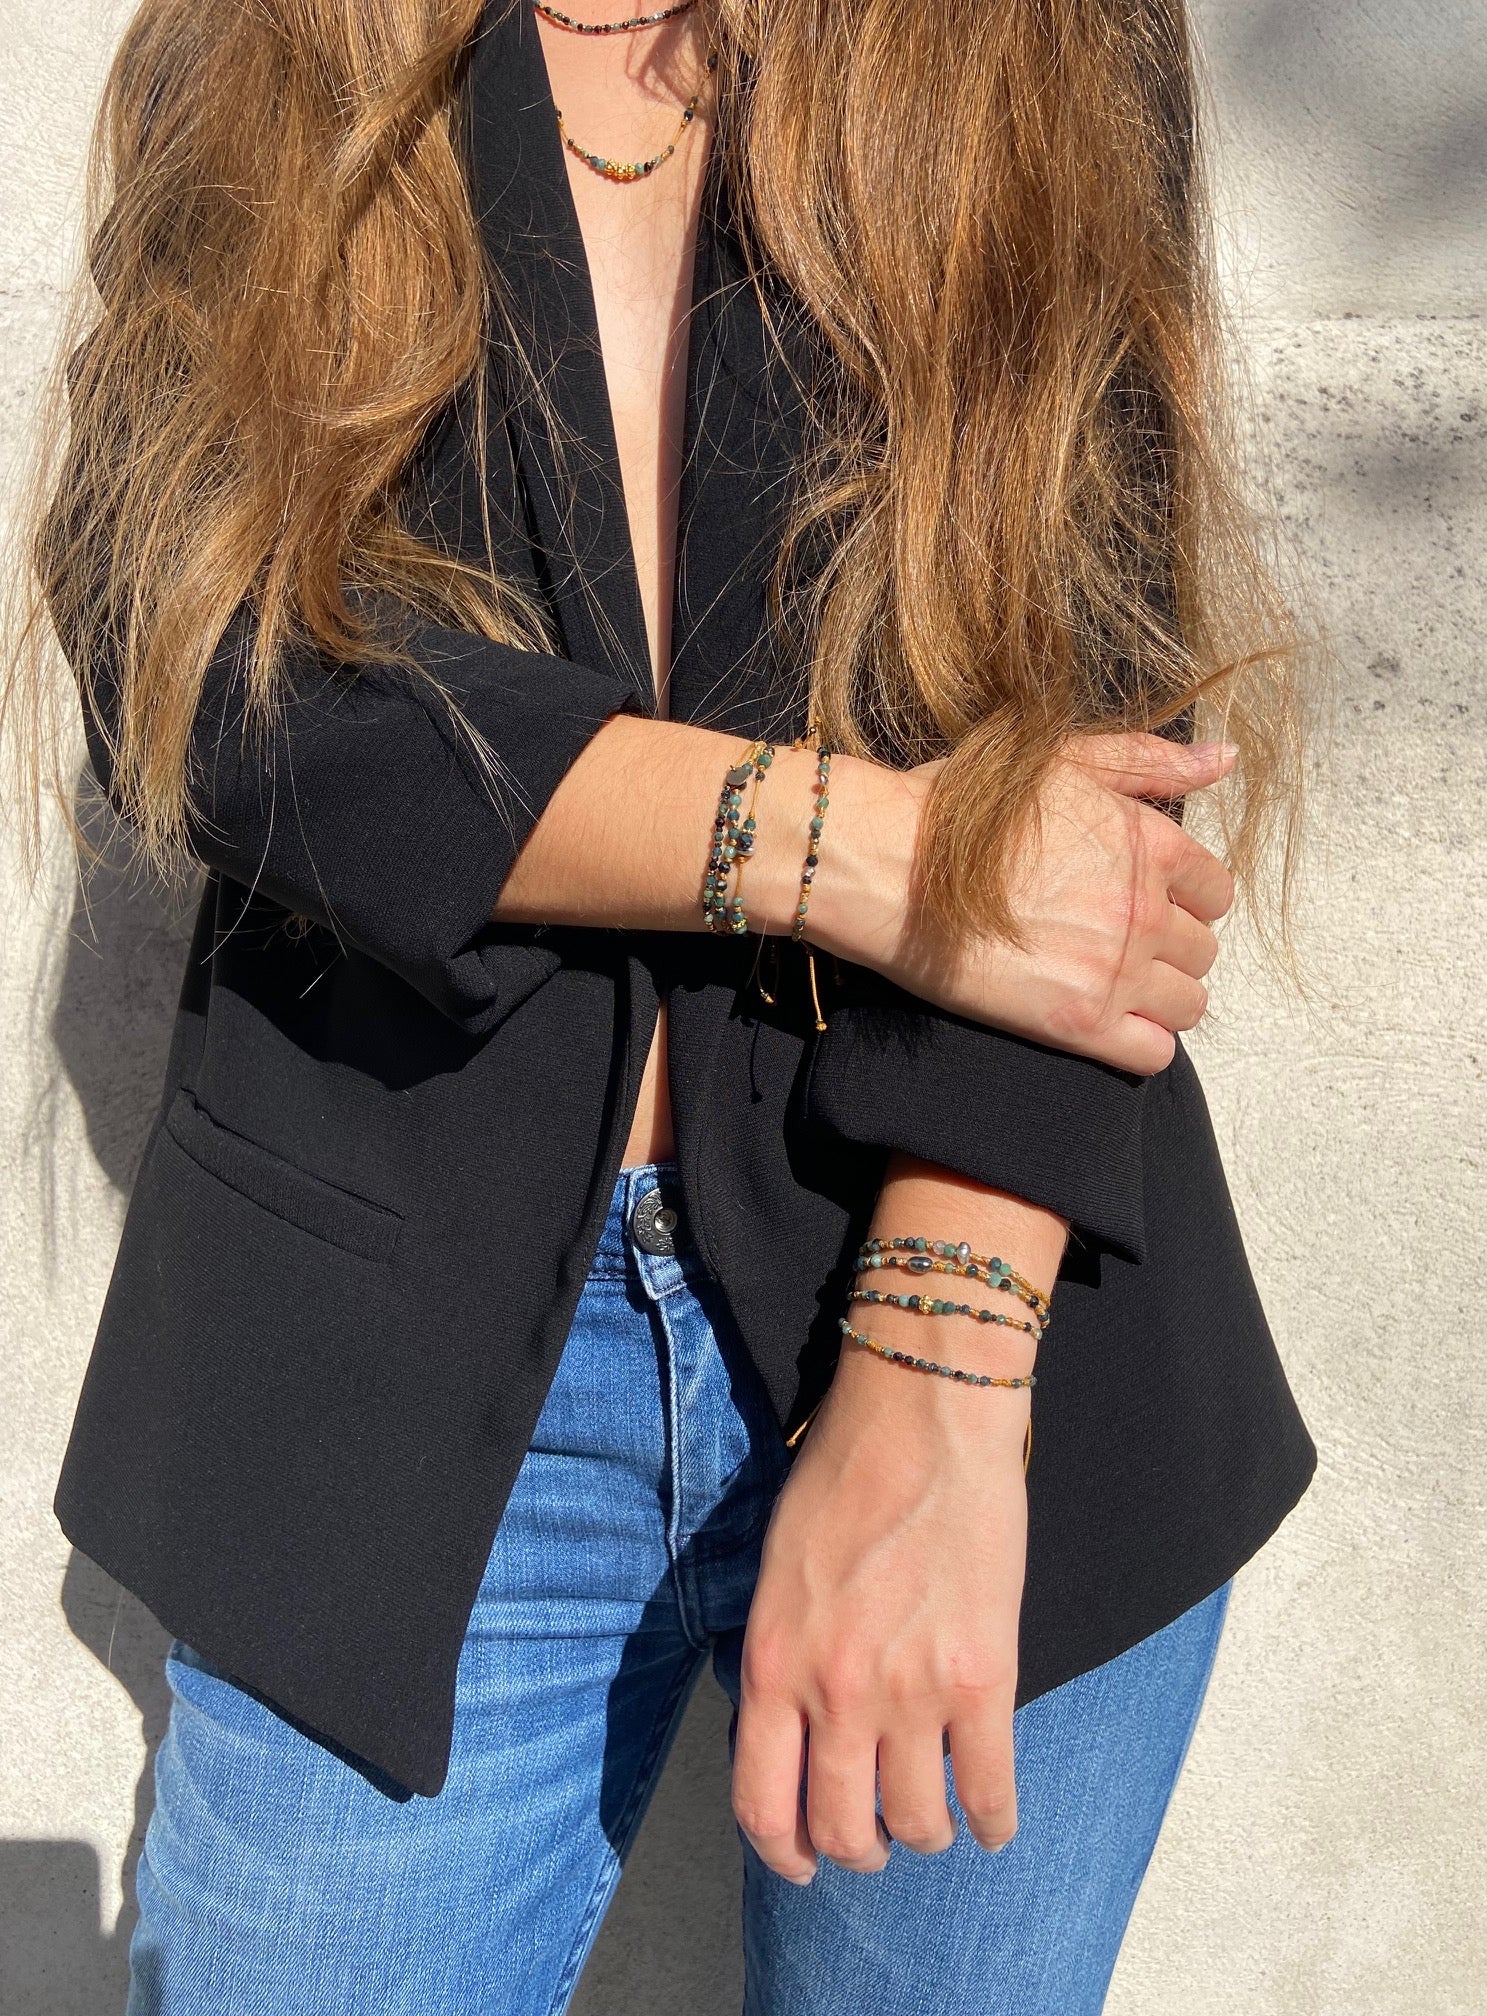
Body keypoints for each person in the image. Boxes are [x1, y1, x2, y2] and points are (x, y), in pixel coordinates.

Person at [12, 0, 1315, 2009]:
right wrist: (854, 850)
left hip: (984, 1291)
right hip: (393, 1361)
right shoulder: (283, 40)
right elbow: (204, 660)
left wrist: (942, 1371)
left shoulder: (1026, 33)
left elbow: (1086, 708)